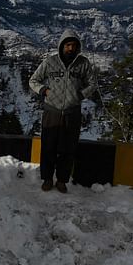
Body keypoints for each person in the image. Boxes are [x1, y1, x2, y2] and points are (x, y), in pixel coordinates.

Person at [29, 29, 96, 193]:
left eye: (73, 45)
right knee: (48, 147)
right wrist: (44, 90)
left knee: (68, 148)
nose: (70, 48)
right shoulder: (50, 62)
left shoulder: (83, 64)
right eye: (68, 45)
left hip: (72, 113)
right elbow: (33, 80)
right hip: (51, 111)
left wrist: (79, 95)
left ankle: (62, 180)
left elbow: (92, 84)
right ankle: (47, 179)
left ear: (77, 47)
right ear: (62, 46)